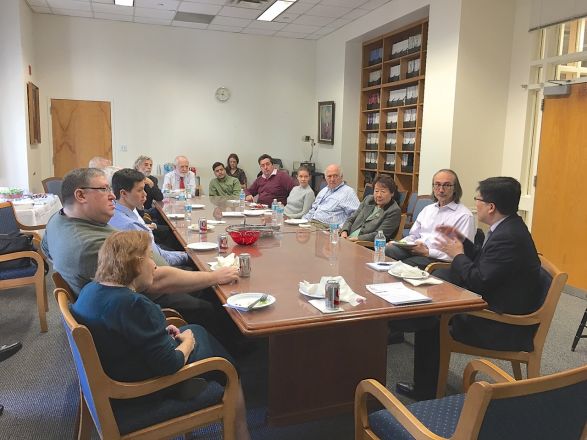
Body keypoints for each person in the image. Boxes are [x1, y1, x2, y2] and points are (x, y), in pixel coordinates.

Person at [71, 231, 250, 439]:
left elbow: (120, 330)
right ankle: (241, 433)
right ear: (137, 264)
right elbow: (170, 364)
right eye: (148, 257)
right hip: (137, 390)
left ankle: (191, 382)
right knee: (228, 367)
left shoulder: (90, 290)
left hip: (118, 364)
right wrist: (188, 342)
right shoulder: (134, 304)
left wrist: (159, 334)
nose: (154, 265)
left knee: (196, 331)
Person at [41, 168, 239, 349]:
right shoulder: (89, 245)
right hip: (141, 302)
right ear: (81, 195)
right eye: (103, 189)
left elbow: (46, 251)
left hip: (123, 296)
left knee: (204, 284)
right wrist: (214, 276)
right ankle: (235, 358)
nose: (112, 195)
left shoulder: (57, 220)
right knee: (209, 301)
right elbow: (156, 280)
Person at [394, 176, 542, 401]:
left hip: (501, 324)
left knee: (432, 319)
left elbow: (479, 280)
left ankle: (425, 388)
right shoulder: (508, 226)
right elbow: (486, 262)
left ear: (491, 207)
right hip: (499, 301)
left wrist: (458, 254)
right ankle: (401, 323)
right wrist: (461, 240)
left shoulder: (508, 237)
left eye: (478, 199)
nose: (476, 204)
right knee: (437, 286)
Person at [385, 169, 475, 269]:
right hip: (416, 250)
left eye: (446, 185)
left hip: (437, 258)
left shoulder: (464, 215)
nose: (441, 190)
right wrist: (400, 244)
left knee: (401, 266)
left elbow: (461, 253)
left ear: (455, 188)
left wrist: (428, 252)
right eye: (437, 184)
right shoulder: (428, 209)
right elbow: (413, 236)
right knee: (389, 249)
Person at [108, 168, 190, 267]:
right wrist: (189, 256)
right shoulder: (131, 226)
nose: (145, 194)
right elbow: (161, 261)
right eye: (140, 190)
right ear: (123, 193)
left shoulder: (115, 211)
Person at [340, 175, 401, 241]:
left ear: (392, 193)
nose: (379, 195)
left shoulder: (394, 210)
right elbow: (351, 219)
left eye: (383, 192)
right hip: (347, 238)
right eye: (376, 191)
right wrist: (344, 231)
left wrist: (356, 239)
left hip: (364, 245)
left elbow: (379, 235)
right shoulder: (368, 200)